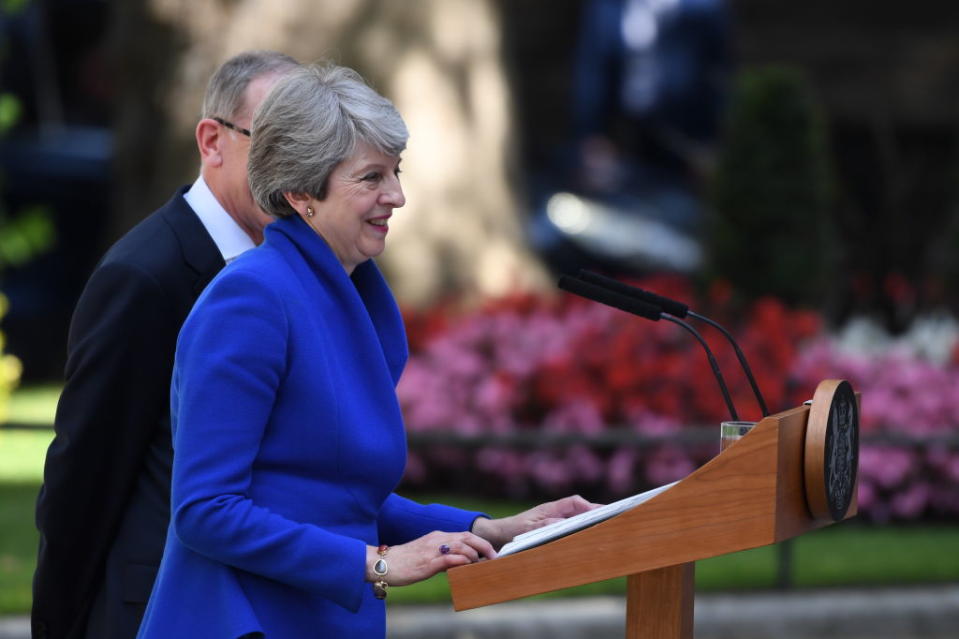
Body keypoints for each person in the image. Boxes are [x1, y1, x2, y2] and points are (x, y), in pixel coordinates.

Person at [135, 63, 594, 638]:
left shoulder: (344, 292)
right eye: (371, 177)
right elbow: (206, 511)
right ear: (301, 193)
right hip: (244, 622)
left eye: (395, 172)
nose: (397, 196)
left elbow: (340, 498)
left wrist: (493, 527)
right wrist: (377, 563)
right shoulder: (250, 300)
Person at [32, 50, 300, 639]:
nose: (296, 170)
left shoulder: (294, 269)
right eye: (277, 143)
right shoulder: (145, 276)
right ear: (213, 141)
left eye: (311, 149)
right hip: (154, 612)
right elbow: (83, 479)